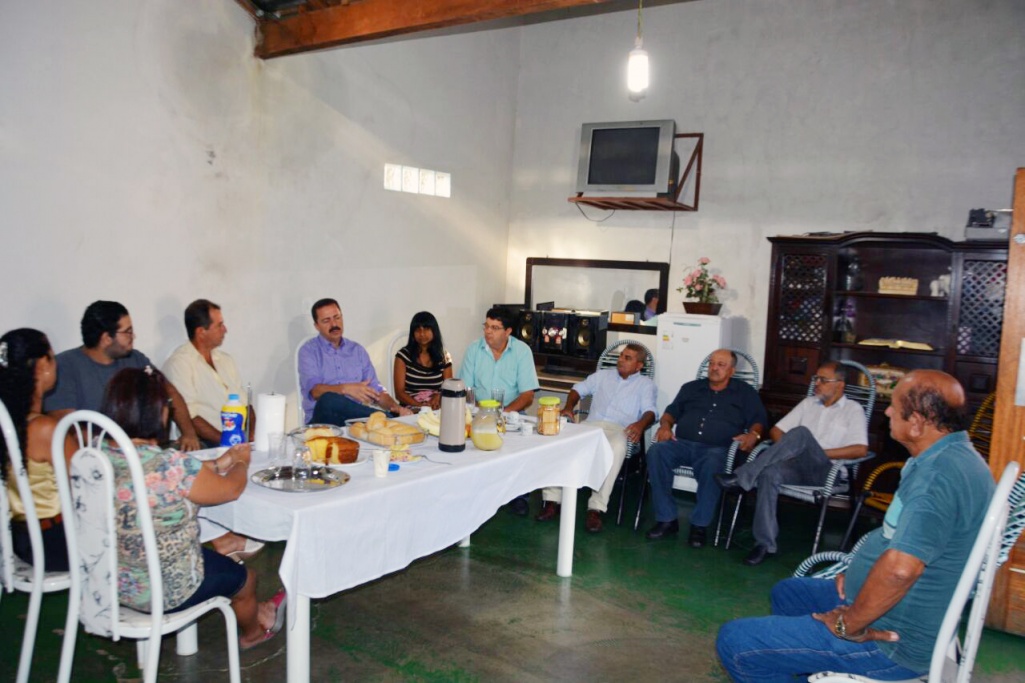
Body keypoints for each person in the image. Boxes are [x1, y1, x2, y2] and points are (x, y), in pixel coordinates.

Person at [716, 370, 994, 682]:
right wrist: (860, 572)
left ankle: (824, 651)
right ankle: (803, 660)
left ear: (916, 422)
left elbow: (902, 570)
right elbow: (904, 541)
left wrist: (849, 625)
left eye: (894, 405)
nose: (887, 411)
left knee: (736, 641)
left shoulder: (937, 478)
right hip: (900, 608)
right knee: (789, 593)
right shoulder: (950, 456)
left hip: (891, 642)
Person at [100, 367, 287, 651]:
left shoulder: (96, 458)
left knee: (208, 554)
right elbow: (231, 490)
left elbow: (173, 478)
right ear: (158, 412)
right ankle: (252, 635)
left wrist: (219, 463)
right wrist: (240, 463)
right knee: (246, 578)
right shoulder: (170, 464)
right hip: (164, 590)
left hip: (108, 580)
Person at [714, 361, 868, 565]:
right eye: (816, 379)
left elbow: (860, 449)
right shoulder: (808, 403)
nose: (817, 383)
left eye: (823, 380)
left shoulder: (852, 409)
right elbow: (776, 431)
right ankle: (764, 544)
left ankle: (742, 476)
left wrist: (815, 450)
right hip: (798, 466)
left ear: (840, 384)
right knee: (770, 473)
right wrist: (790, 448)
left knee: (801, 434)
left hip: (828, 470)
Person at [163, 299, 263, 561]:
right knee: (215, 462)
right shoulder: (180, 363)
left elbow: (244, 401)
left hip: (234, 437)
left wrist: (251, 433)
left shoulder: (225, 360)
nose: (225, 329)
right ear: (201, 332)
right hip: (206, 441)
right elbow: (190, 416)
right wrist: (226, 443)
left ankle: (247, 523)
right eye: (219, 325)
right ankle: (221, 537)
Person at [645, 349, 767, 548]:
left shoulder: (745, 392)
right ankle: (667, 519)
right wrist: (665, 426)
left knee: (713, 463)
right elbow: (670, 412)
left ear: (732, 371)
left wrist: (754, 435)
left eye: (721, 365)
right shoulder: (691, 388)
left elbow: (759, 420)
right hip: (682, 444)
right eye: (712, 363)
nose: (714, 368)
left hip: (717, 448)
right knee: (657, 451)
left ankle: (699, 526)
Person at [44, 300, 201, 451]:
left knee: (199, 454)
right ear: (106, 338)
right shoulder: (66, 366)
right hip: (99, 457)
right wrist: (119, 446)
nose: (134, 336)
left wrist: (189, 434)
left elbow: (170, 392)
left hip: (144, 450)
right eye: (128, 332)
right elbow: (69, 427)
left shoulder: (135, 359)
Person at [536, 343, 656, 533]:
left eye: (628, 358)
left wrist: (640, 425)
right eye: (621, 356)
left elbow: (651, 411)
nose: (621, 360)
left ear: (639, 366)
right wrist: (569, 407)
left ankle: (596, 508)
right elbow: (577, 389)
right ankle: (552, 500)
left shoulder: (645, 385)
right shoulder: (602, 376)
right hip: (591, 426)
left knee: (616, 448)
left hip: (619, 429)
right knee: (559, 441)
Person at [0, 329, 76, 571]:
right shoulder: (44, 429)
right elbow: (88, 485)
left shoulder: (9, 422)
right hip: (55, 543)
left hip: (18, 538)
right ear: (43, 365)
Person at [458, 306, 540, 515]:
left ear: (508, 331)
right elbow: (466, 389)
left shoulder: (522, 352)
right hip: (479, 411)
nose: (488, 332)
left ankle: (519, 495)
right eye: (486, 326)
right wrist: (479, 413)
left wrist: (502, 414)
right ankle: (478, 492)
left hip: (511, 411)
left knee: (520, 445)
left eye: (495, 327)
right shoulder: (474, 350)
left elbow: (527, 394)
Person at [298, 298, 410, 426]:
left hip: (353, 422)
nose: (334, 324)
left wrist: (396, 408)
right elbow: (315, 391)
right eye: (326, 320)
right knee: (328, 399)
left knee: (375, 420)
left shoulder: (357, 351)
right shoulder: (308, 351)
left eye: (337, 317)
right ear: (316, 326)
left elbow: (376, 391)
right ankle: (387, 420)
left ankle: (389, 419)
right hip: (322, 422)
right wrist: (346, 389)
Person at [393, 311, 453, 410]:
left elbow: (449, 387)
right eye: (417, 330)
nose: (422, 334)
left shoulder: (444, 357)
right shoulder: (402, 356)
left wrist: (439, 396)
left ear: (434, 331)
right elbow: (399, 393)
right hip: (411, 409)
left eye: (426, 329)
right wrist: (420, 406)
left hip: (437, 409)